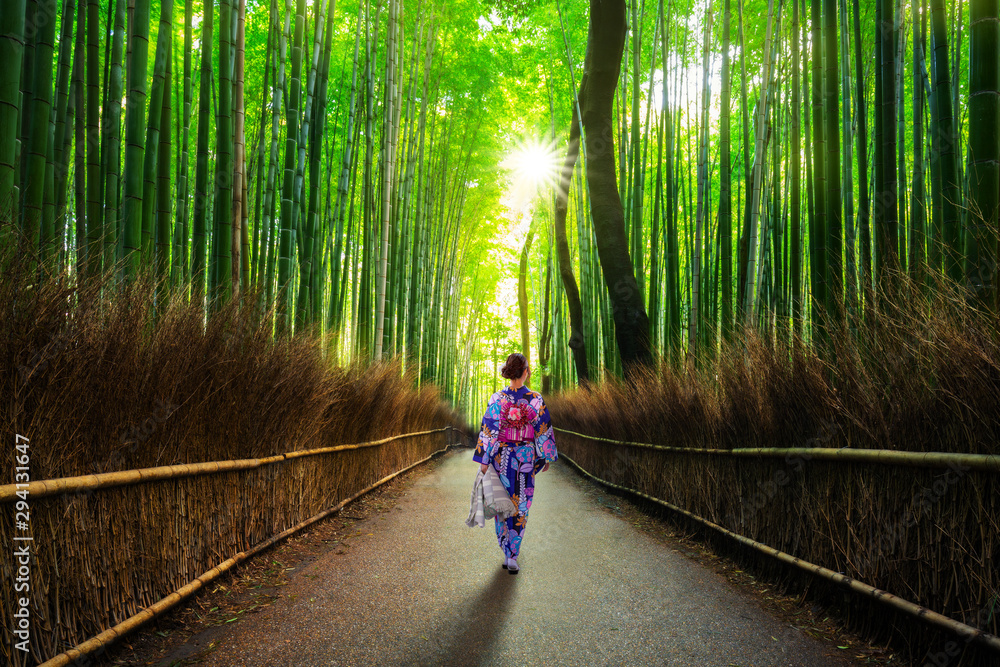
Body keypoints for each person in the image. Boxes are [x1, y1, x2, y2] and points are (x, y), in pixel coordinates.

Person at [472, 352, 558, 574]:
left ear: (510, 372)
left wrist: (484, 460)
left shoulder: (496, 399)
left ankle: (506, 550)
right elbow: (543, 430)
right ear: (526, 372)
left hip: (501, 457)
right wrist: (545, 455)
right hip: (525, 458)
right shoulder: (536, 399)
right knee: (521, 506)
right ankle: (512, 555)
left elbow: (488, 431)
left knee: (503, 503)